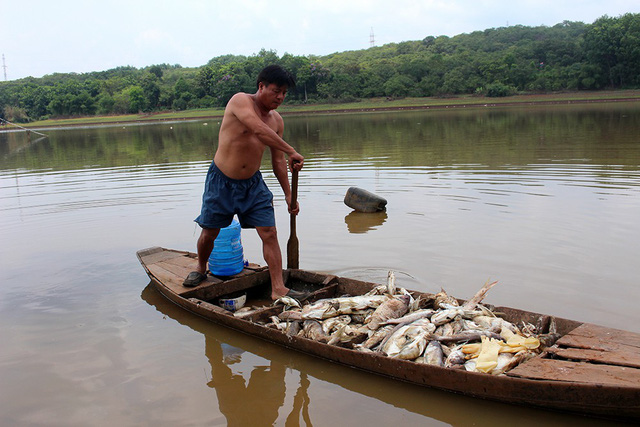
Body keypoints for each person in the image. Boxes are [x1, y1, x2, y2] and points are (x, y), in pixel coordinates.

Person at [183, 65, 305, 300]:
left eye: (284, 93)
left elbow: (278, 161)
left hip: (253, 184)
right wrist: (292, 150)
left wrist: (289, 195)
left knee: (269, 232)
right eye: (276, 91)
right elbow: (257, 130)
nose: (280, 97)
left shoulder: (277, 121)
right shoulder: (240, 101)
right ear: (261, 87)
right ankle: (200, 267)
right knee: (210, 232)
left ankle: (278, 288)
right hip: (221, 181)